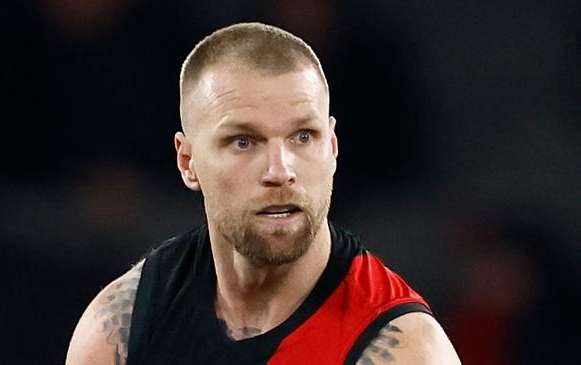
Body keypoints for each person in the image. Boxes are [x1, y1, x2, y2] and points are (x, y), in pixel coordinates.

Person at [66, 22, 461, 365]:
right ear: (188, 162)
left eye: (303, 137)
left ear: (333, 148)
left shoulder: (400, 349)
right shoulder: (124, 327)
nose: (280, 171)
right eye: (243, 142)